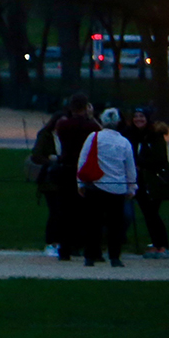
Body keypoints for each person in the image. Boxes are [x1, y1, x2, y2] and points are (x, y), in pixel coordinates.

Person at [76, 105, 137, 267]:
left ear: (102, 121)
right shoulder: (124, 142)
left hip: (96, 186)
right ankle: (114, 257)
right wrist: (132, 187)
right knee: (115, 225)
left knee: (93, 223)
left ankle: (90, 256)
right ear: (118, 123)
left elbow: (82, 160)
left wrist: (80, 182)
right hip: (117, 188)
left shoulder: (94, 137)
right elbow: (129, 168)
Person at [51, 93, 100, 260]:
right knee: (86, 211)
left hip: (66, 168)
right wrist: (91, 117)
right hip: (83, 170)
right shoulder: (91, 127)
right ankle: (85, 247)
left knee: (65, 210)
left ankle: (64, 249)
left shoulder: (63, 125)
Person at [124, 106, 169, 258]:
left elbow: (159, 159)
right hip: (140, 182)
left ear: (147, 118)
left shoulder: (155, 136)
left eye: (141, 116)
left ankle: (163, 245)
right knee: (148, 214)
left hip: (154, 182)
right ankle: (156, 244)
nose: (138, 119)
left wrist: (139, 162)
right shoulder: (132, 135)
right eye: (136, 116)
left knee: (152, 214)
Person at [29, 108, 69, 257]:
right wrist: (52, 161)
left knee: (65, 212)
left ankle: (64, 242)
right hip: (50, 178)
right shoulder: (45, 135)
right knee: (55, 211)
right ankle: (51, 242)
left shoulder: (69, 136)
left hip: (65, 177)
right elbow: (36, 155)